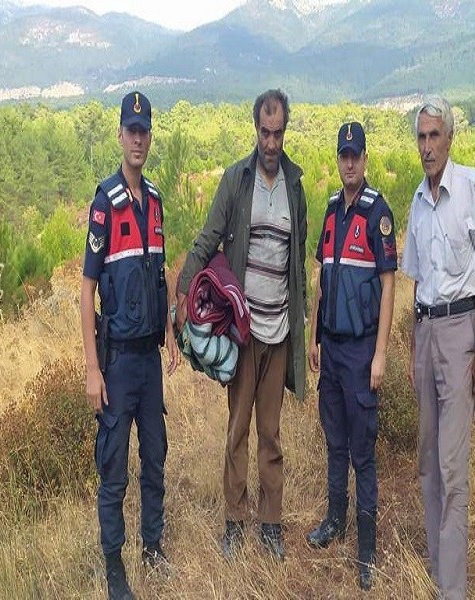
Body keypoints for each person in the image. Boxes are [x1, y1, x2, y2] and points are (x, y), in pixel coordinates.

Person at [175, 89, 307, 561]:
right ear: (255, 129)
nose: (271, 143)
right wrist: (182, 293)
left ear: (285, 131)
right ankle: (235, 521)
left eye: (278, 133)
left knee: (271, 433)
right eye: (264, 132)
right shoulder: (236, 179)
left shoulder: (295, 186)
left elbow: (298, 263)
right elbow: (207, 238)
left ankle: (270, 523)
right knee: (238, 429)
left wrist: (303, 322)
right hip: (244, 331)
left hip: (280, 330)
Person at [401, 96, 475, 600]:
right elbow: (415, 281)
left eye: (434, 136)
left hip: (462, 332)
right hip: (425, 333)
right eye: (421, 137)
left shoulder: (471, 186)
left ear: (450, 138)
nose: (427, 147)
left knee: (452, 466)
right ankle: (438, 569)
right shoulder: (417, 202)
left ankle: (453, 590)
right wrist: (410, 349)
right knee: (427, 460)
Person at [80, 90, 179, 600]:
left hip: (149, 361)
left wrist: (170, 330)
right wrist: (92, 370)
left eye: (144, 131)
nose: (138, 139)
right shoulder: (105, 204)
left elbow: (159, 274)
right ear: (120, 135)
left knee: (155, 458)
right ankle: (114, 563)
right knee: (114, 468)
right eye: (131, 130)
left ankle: (152, 546)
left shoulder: (155, 202)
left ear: (149, 136)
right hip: (117, 361)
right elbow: (86, 290)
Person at [306, 122, 397, 590]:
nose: (349, 163)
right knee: (335, 441)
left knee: (363, 451)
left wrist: (380, 355)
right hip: (332, 348)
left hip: (362, 351)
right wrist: (313, 335)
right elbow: (322, 278)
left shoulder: (378, 212)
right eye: (343, 156)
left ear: (365, 158)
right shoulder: (330, 212)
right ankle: (334, 521)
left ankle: (366, 550)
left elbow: (388, 286)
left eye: (355, 156)